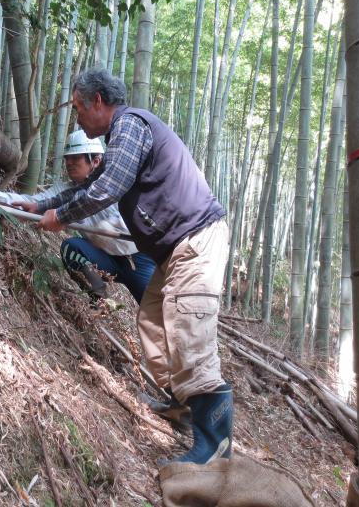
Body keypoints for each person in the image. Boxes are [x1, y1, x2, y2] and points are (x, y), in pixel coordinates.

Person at [17, 69, 233, 465]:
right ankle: (183, 404)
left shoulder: (130, 124)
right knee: (153, 322)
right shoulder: (121, 140)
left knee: (190, 335)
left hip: (196, 243)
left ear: (98, 101)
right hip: (174, 250)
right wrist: (38, 203)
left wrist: (61, 217)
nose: (78, 118)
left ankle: (214, 445)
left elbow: (106, 188)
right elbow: (87, 184)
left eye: (79, 108)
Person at [0, 130, 155, 304]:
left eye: (76, 158)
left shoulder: (117, 183)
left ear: (96, 161)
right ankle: (101, 301)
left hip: (140, 259)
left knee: (158, 311)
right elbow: (34, 202)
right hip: (105, 259)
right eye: (67, 159)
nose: (69, 163)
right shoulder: (65, 191)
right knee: (71, 248)